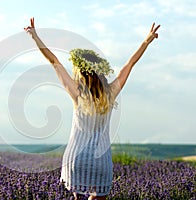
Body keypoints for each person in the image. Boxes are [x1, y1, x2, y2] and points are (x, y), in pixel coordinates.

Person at [24, 18, 160, 200]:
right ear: (100, 72)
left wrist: (35, 37)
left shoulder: (77, 94)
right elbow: (130, 64)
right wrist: (146, 41)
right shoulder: (110, 93)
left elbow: (53, 61)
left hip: (76, 159)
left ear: (81, 73)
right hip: (100, 161)